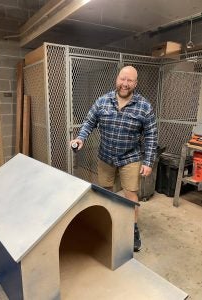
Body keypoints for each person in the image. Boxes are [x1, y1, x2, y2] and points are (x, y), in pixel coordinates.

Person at [70, 66, 157, 252]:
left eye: (130, 81)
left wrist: (148, 161)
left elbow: (151, 136)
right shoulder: (102, 101)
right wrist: (80, 138)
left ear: (135, 83)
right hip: (106, 155)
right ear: (117, 79)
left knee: (131, 193)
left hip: (131, 156)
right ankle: (106, 222)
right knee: (105, 191)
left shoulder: (144, 106)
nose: (125, 84)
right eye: (122, 79)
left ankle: (132, 229)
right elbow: (89, 122)